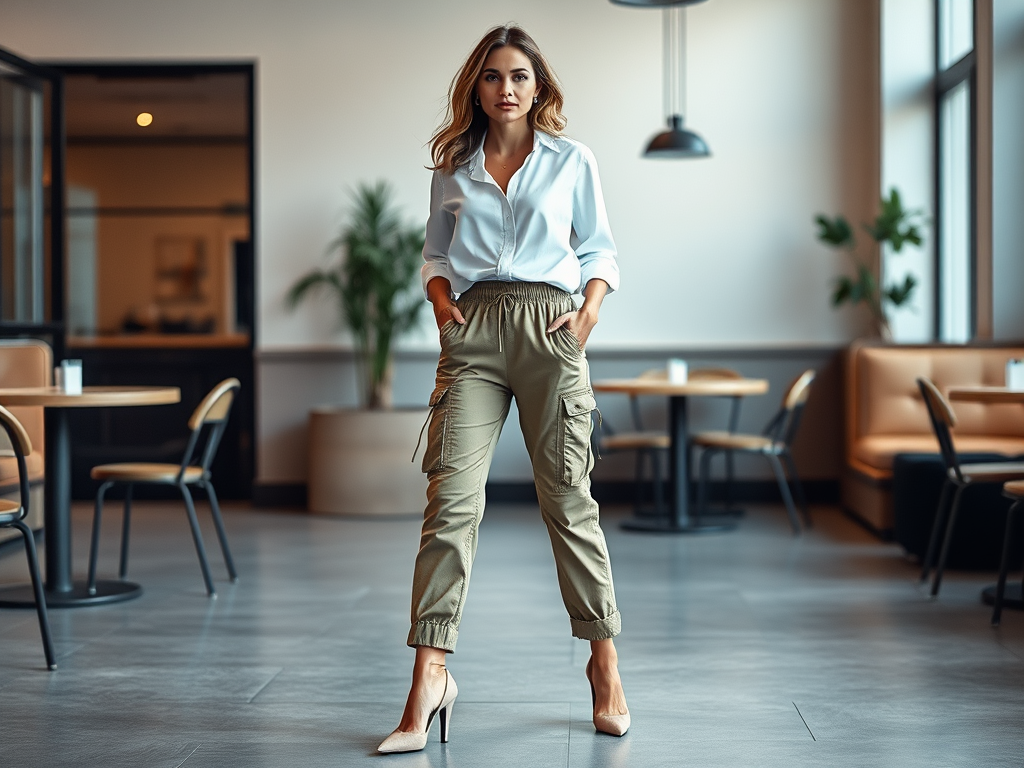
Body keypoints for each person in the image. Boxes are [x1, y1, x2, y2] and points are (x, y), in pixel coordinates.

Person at [377, 24, 629, 754]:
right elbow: (435, 248)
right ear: (477, 88)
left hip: (552, 331)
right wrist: (437, 297)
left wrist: (586, 314)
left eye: (519, 76)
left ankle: (604, 661)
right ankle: (429, 677)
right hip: (476, 329)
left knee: (568, 502)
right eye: (492, 77)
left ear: (538, 86)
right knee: (449, 500)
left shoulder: (571, 159)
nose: (506, 88)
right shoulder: (454, 166)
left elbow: (600, 248)